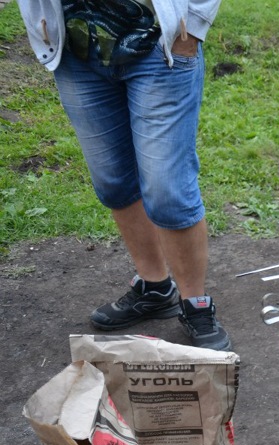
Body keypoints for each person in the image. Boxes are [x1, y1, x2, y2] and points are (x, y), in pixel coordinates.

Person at [17, 0, 232, 351]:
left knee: (168, 190)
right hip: (75, 47)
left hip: (159, 43)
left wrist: (191, 25)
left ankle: (195, 304)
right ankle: (155, 288)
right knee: (112, 180)